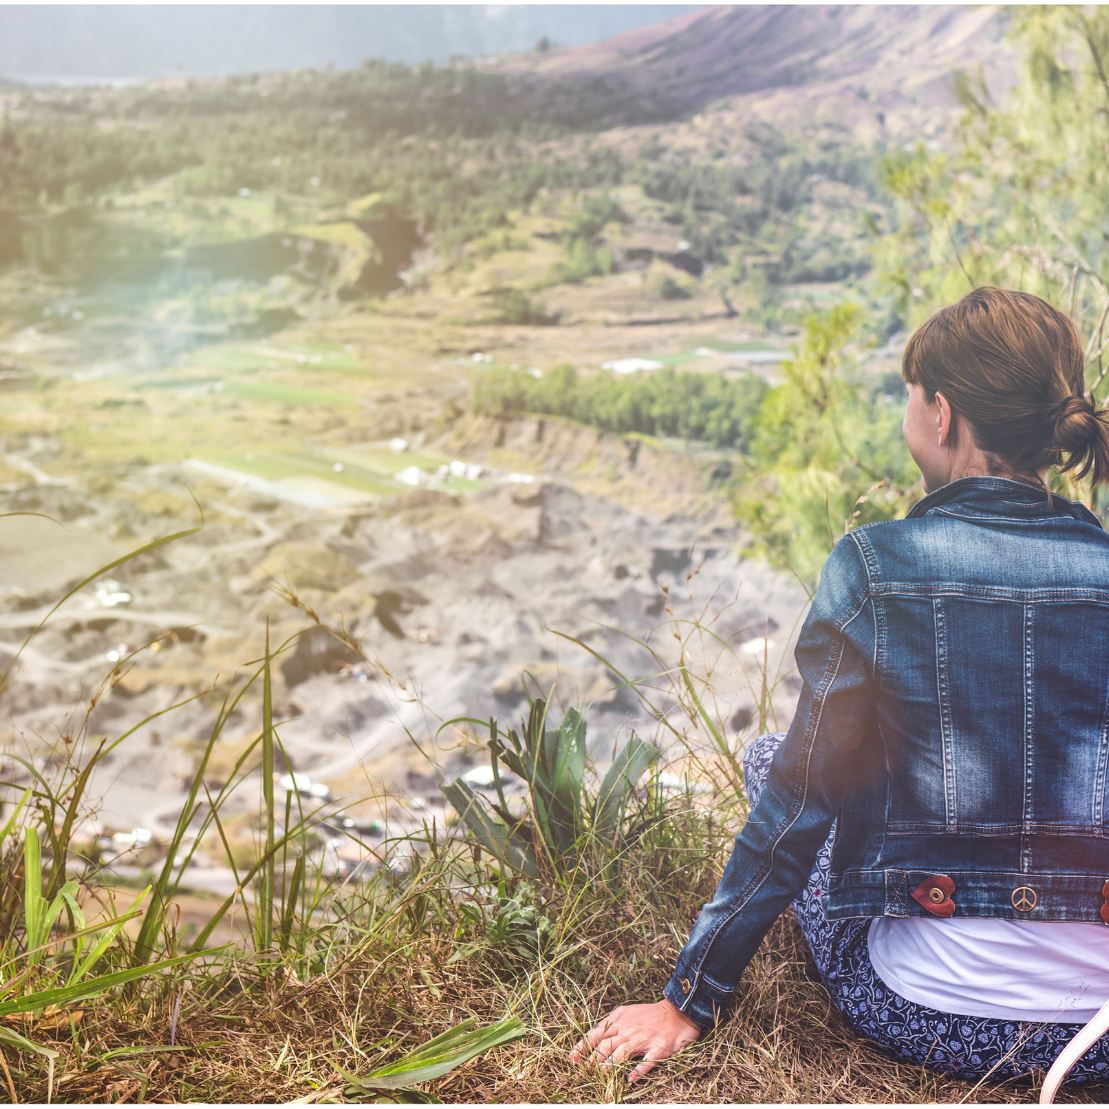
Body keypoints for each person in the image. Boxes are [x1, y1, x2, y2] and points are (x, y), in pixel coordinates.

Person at [571, 286, 1109, 1086]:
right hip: (1097, 1035)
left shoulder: (876, 564)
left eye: (907, 402)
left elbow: (800, 800)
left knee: (767, 761)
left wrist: (688, 998)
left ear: (941, 413)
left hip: (932, 1012)